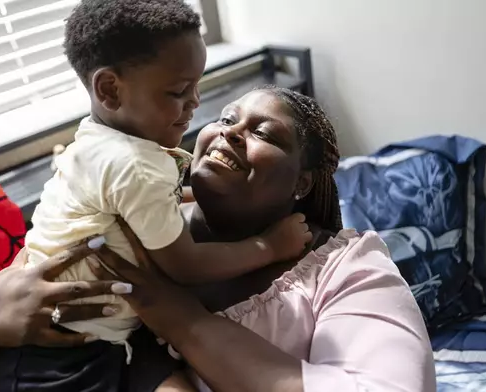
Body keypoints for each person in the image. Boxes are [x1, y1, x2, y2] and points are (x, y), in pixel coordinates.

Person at [0, 87, 436, 392]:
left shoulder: (345, 266)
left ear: (302, 184)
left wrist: (183, 322)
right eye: (225, 119)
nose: (230, 133)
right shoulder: (118, 224)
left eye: (263, 132)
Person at [21, 1, 310, 389]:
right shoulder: (136, 166)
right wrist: (270, 246)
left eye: (197, 85)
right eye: (178, 91)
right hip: (70, 352)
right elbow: (185, 266)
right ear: (109, 89)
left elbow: (145, 203)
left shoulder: (96, 141)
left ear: (304, 182)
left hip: (68, 334)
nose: (194, 102)